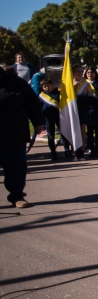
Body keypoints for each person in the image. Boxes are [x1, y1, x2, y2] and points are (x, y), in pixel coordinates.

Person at [0, 63, 44, 208]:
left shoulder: (16, 82)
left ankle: (16, 195)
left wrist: (38, 123)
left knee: (16, 167)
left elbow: (33, 103)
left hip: (14, 132)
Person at [39, 79, 69, 161]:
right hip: (48, 118)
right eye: (44, 86)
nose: (46, 87)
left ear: (52, 85)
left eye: (48, 85)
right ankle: (53, 152)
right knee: (50, 136)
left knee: (63, 134)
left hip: (59, 116)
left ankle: (67, 150)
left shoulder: (58, 93)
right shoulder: (42, 96)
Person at [84, 66, 98, 157]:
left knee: (97, 130)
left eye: (91, 72)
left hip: (97, 109)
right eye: (88, 73)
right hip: (88, 109)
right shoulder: (83, 84)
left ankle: (97, 148)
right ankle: (91, 148)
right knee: (90, 130)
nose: (90, 74)